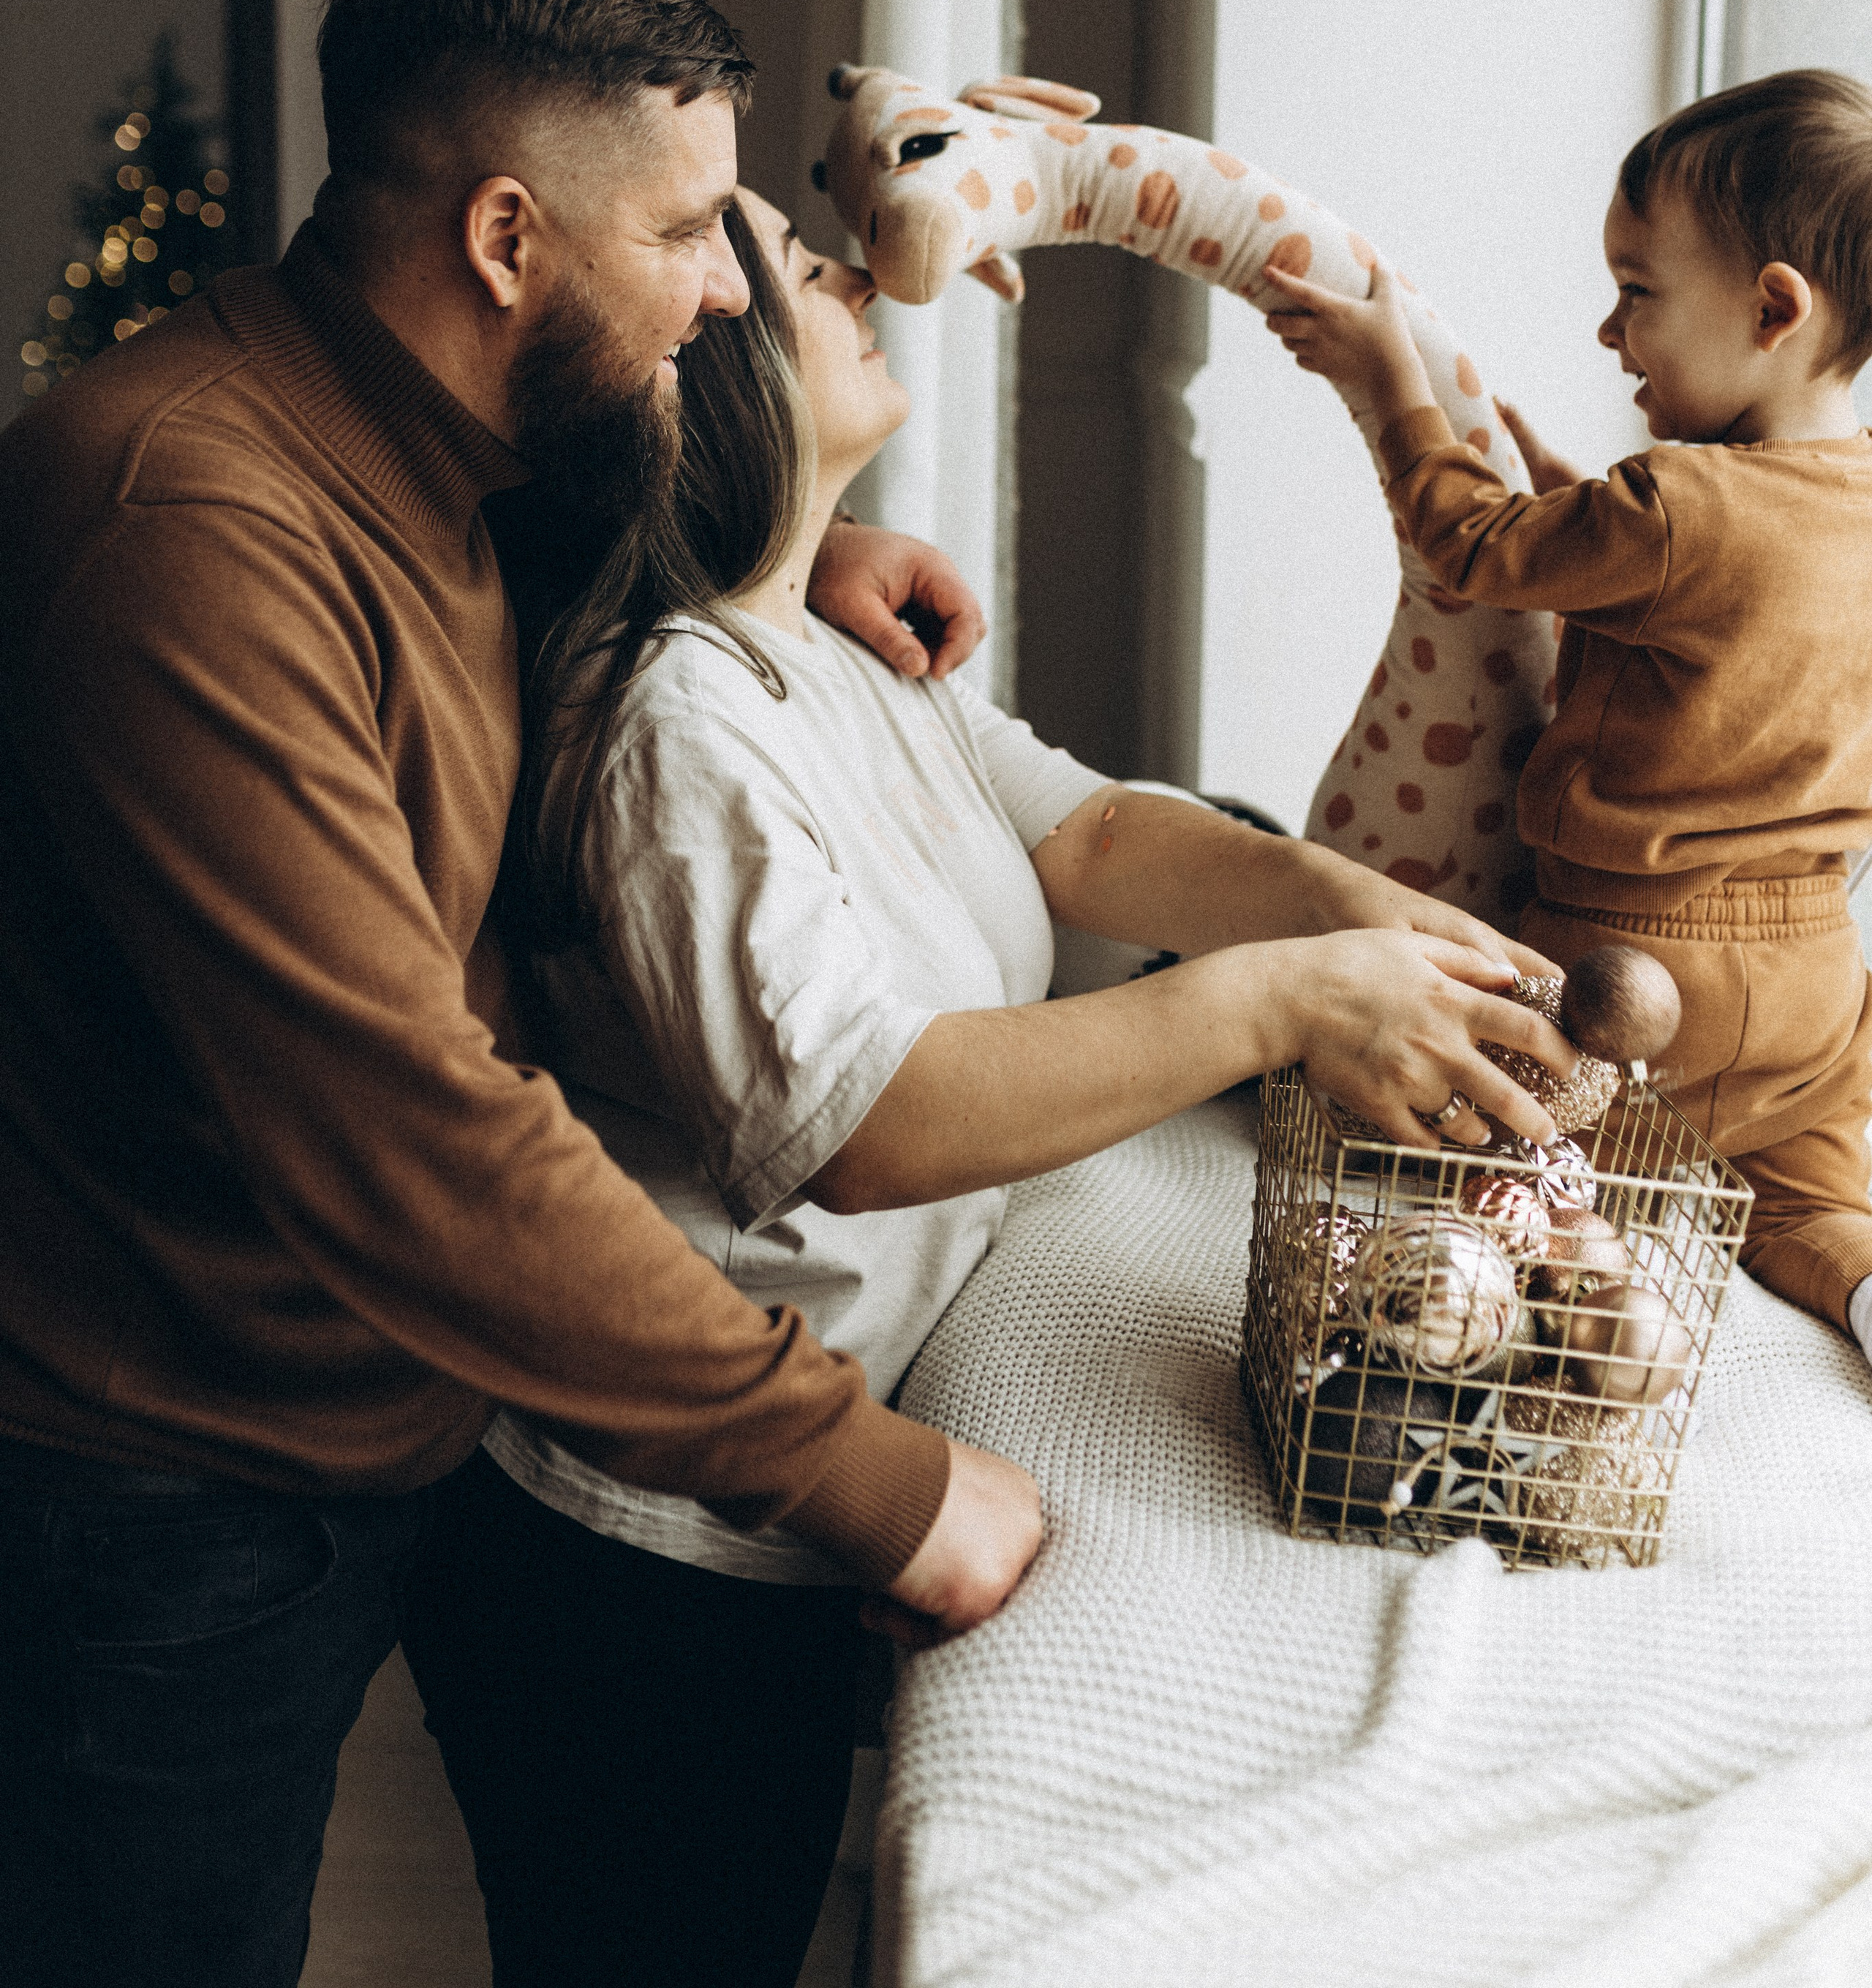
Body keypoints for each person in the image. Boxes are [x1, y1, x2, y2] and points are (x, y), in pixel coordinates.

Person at [0, 0, 1046, 1988]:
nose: (727, 291)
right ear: (503, 238)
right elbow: (405, 1126)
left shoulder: (443, 435)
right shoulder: (183, 530)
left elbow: (510, 568)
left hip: (401, 1415)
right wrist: (871, 1483)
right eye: (685, 234)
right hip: (156, 1490)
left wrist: (792, 555)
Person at [402, 184, 1575, 1987]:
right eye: (798, 270)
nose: (851, 273)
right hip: (646, 1560)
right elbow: (869, 1123)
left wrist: (1358, 912)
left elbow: (1088, 835)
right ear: (704, 384)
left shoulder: (830, 640)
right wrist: (1280, 1001)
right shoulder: (670, 728)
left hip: (791, 1503)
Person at [1266, 66, 1872, 1362]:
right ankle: (1860, 1290)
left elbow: (1474, 545)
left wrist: (1390, 378)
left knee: (1497, 1144)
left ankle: (1566, 1299)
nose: (1611, 332)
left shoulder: (1678, 507)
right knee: (1808, 1200)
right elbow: (1707, 608)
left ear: (1774, 309)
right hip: (1816, 983)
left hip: (1622, 959)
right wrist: (1566, 491)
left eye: (1637, 293)